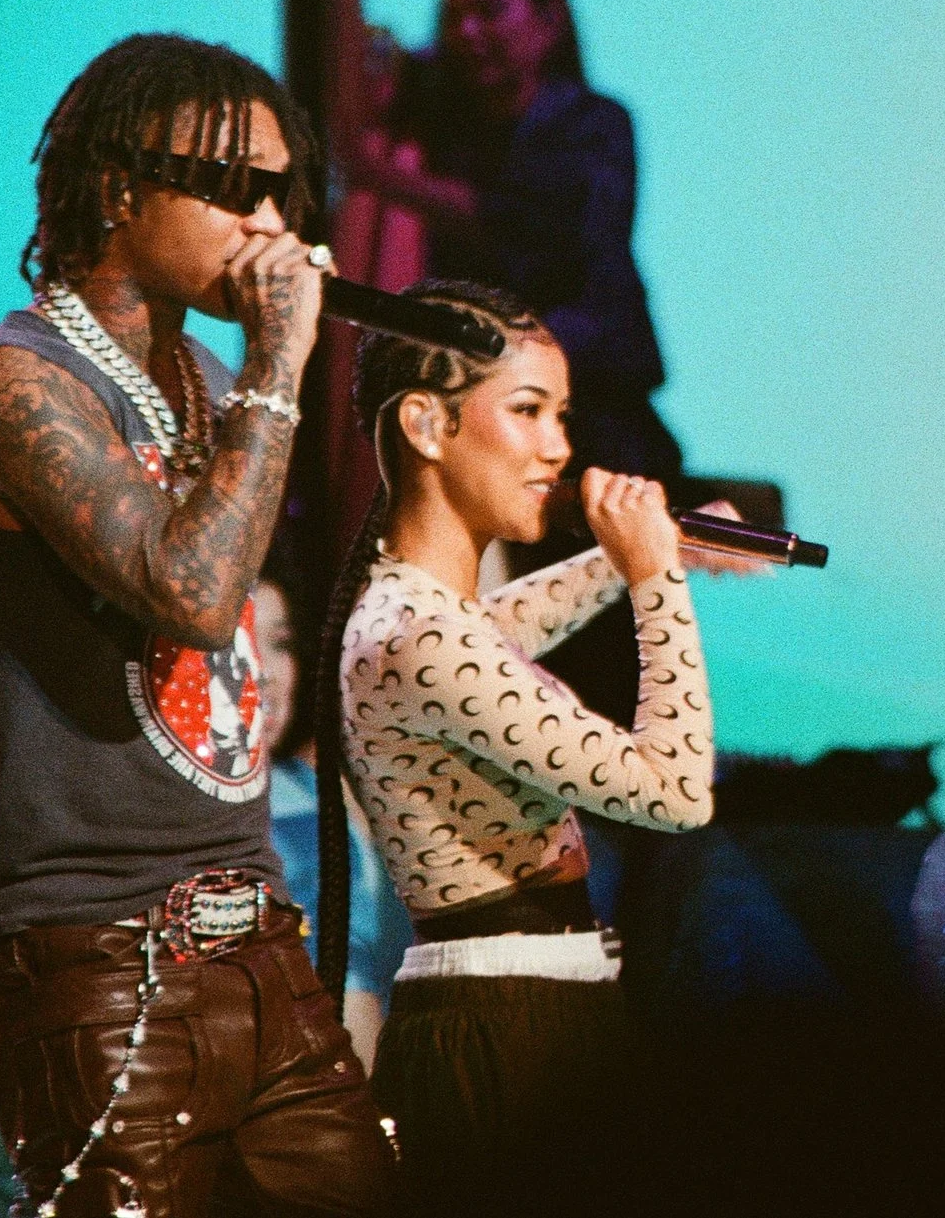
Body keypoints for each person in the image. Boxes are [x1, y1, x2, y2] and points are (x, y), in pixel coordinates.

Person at [0, 34, 397, 1218]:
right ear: (119, 187)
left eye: (286, 193)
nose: (271, 225)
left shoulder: (199, 379)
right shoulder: (15, 386)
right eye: (238, 188)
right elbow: (184, 587)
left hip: (256, 934)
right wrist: (279, 362)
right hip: (91, 955)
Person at [315, 279, 717, 1214]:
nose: (560, 448)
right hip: (502, 1024)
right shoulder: (416, 632)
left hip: (528, 1007)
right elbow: (676, 790)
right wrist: (657, 580)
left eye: (562, 414)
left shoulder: (427, 618)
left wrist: (649, 555)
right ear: (425, 423)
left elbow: (500, 624)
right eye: (528, 411)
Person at [344, 0, 682, 483]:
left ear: (549, 19)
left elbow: (527, 227)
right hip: (483, 416)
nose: (468, 33)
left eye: (489, 11)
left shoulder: (596, 126)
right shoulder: (446, 131)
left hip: (594, 400)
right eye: (454, 17)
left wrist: (382, 177)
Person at [250, 575, 414, 1070]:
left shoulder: (323, 786)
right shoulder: (165, 828)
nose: (268, 675)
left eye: (279, 645)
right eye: (240, 646)